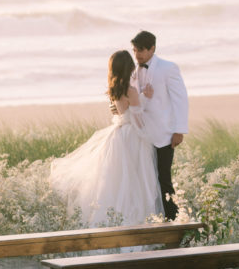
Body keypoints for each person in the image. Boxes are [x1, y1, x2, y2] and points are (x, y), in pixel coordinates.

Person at [50, 50, 163, 227]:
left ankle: (113, 220)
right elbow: (137, 118)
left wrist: (141, 99)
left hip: (117, 135)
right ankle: (137, 221)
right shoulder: (130, 90)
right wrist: (147, 104)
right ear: (129, 67)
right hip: (131, 136)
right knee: (137, 182)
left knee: (116, 182)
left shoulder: (114, 90)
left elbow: (123, 111)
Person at [131, 30, 188, 220]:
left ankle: (173, 219)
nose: (137, 55)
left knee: (164, 179)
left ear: (152, 49)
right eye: (135, 50)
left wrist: (179, 130)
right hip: (141, 134)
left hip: (164, 134)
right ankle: (152, 218)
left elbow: (180, 99)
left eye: (141, 51)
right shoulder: (133, 70)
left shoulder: (168, 68)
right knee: (145, 181)